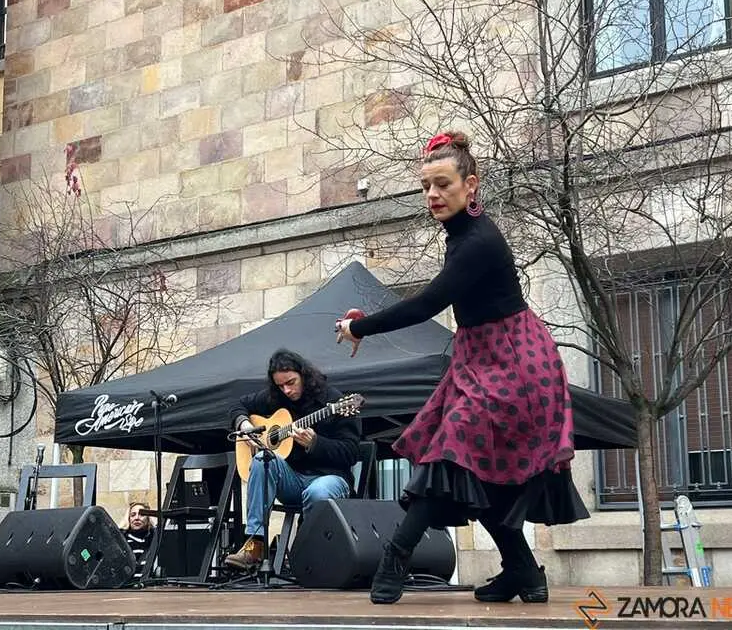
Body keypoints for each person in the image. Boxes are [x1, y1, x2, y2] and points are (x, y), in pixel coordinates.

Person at [335, 131, 589, 605]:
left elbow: (429, 301)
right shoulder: (462, 236)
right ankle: (523, 572)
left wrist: (361, 328)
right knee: (480, 470)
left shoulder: (478, 241)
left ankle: (394, 558)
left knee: (450, 451)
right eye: (426, 186)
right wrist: (364, 322)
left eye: (443, 185)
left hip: (514, 363)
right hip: (481, 356)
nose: (432, 195)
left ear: (471, 186)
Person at [223, 349, 362, 571]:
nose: (287, 390)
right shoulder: (275, 399)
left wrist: (315, 444)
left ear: (303, 374)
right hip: (292, 481)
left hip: (330, 479)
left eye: (291, 382)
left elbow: (352, 452)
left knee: (318, 491)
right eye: (280, 386)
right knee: (262, 459)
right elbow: (236, 405)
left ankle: (308, 550)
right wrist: (244, 425)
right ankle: (256, 543)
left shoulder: (334, 401)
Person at [120, 501, 154, 580]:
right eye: (133, 515)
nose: (137, 518)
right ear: (129, 518)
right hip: (125, 589)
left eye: (142, 514)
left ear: (148, 518)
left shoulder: (155, 539)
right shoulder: (121, 541)